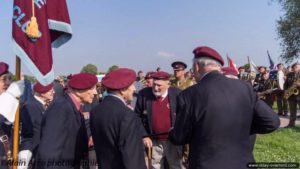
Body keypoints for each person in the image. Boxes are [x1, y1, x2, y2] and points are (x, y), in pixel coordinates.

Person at [169, 46, 280, 169]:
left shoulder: (188, 95)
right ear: (218, 67)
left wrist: (172, 132)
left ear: (196, 66)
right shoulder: (244, 88)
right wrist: (240, 129)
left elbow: (179, 137)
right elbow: (272, 122)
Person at [36, 73, 98, 169]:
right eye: (92, 88)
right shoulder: (61, 108)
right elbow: (50, 152)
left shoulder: (73, 107)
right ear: (78, 91)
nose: (95, 93)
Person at [90, 68, 146, 169]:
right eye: (131, 85)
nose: (134, 89)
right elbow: (133, 157)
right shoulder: (127, 115)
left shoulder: (95, 111)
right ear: (122, 90)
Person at [135, 71, 184, 169]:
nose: (156, 88)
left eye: (159, 85)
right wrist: (144, 136)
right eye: (154, 85)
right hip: (153, 141)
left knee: (176, 166)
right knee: (154, 166)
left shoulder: (177, 94)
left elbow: (184, 116)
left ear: (168, 84)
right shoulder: (144, 94)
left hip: (173, 141)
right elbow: (136, 117)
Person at [18, 82, 55, 169]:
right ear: (42, 93)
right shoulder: (30, 106)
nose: (53, 92)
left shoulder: (40, 105)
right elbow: (27, 134)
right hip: (33, 152)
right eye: (50, 91)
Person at [0, 62, 25, 169]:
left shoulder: (12, 103)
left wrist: (25, 152)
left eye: (9, 78)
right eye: (3, 80)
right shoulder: (8, 101)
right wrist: (9, 96)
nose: (8, 83)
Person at [284, 62, 300, 127]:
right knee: (292, 111)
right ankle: (291, 124)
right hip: (291, 95)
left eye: (297, 66)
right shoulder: (289, 74)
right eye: (294, 67)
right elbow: (285, 84)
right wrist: (285, 91)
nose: (295, 68)